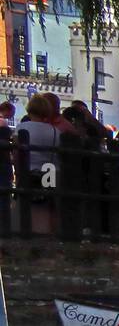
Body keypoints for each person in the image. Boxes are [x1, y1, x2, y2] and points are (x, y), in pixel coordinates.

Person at [17, 94, 60, 233]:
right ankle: (47, 232)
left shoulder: (22, 127)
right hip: (50, 171)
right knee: (47, 205)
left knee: (27, 206)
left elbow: (17, 154)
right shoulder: (55, 131)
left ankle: (27, 232)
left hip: (28, 171)